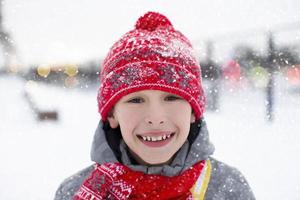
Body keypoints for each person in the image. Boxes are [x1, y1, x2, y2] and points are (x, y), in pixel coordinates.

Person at [54, 11, 255, 200]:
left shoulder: (228, 188)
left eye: (172, 98)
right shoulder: (74, 191)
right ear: (112, 115)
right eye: (135, 100)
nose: (156, 117)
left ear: (193, 111)